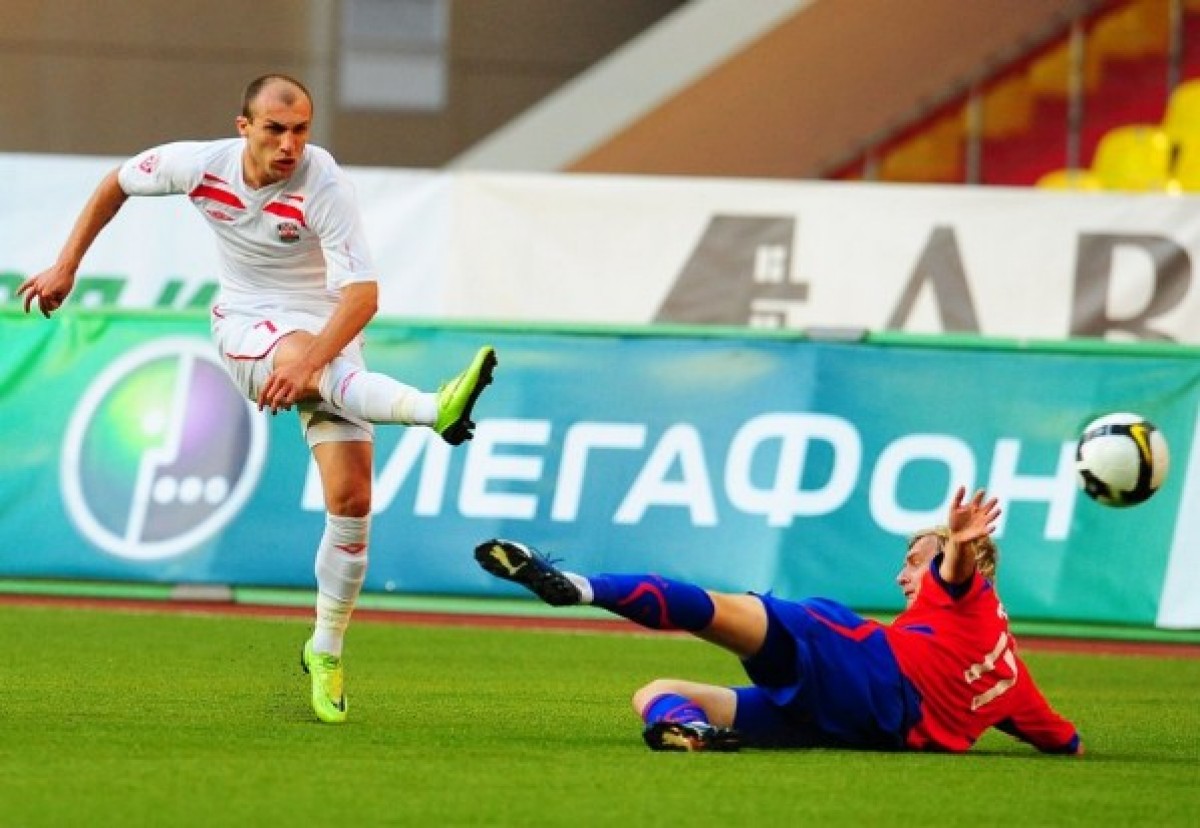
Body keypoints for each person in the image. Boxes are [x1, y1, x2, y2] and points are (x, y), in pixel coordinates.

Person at [19, 73, 498, 725]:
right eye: (275, 129)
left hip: (324, 335)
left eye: (300, 130)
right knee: (306, 361)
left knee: (352, 502)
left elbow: (362, 298)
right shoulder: (199, 165)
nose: (289, 144)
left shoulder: (324, 183)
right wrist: (67, 265)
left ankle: (325, 650)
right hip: (246, 325)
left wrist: (315, 359)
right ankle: (430, 409)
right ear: (244, 127)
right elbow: (116, 183)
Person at [474, 486, 1082, 755]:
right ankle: (688, 731)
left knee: (726, 610)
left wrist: (959, 544)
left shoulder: (965, 594)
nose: (904, 574)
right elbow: (1064, 741)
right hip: (861, 728)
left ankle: (580, 587)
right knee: (658, 690)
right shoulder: (1014, 681)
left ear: (967, 563)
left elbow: (957, 572)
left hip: (869, 671)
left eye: (915, 560)